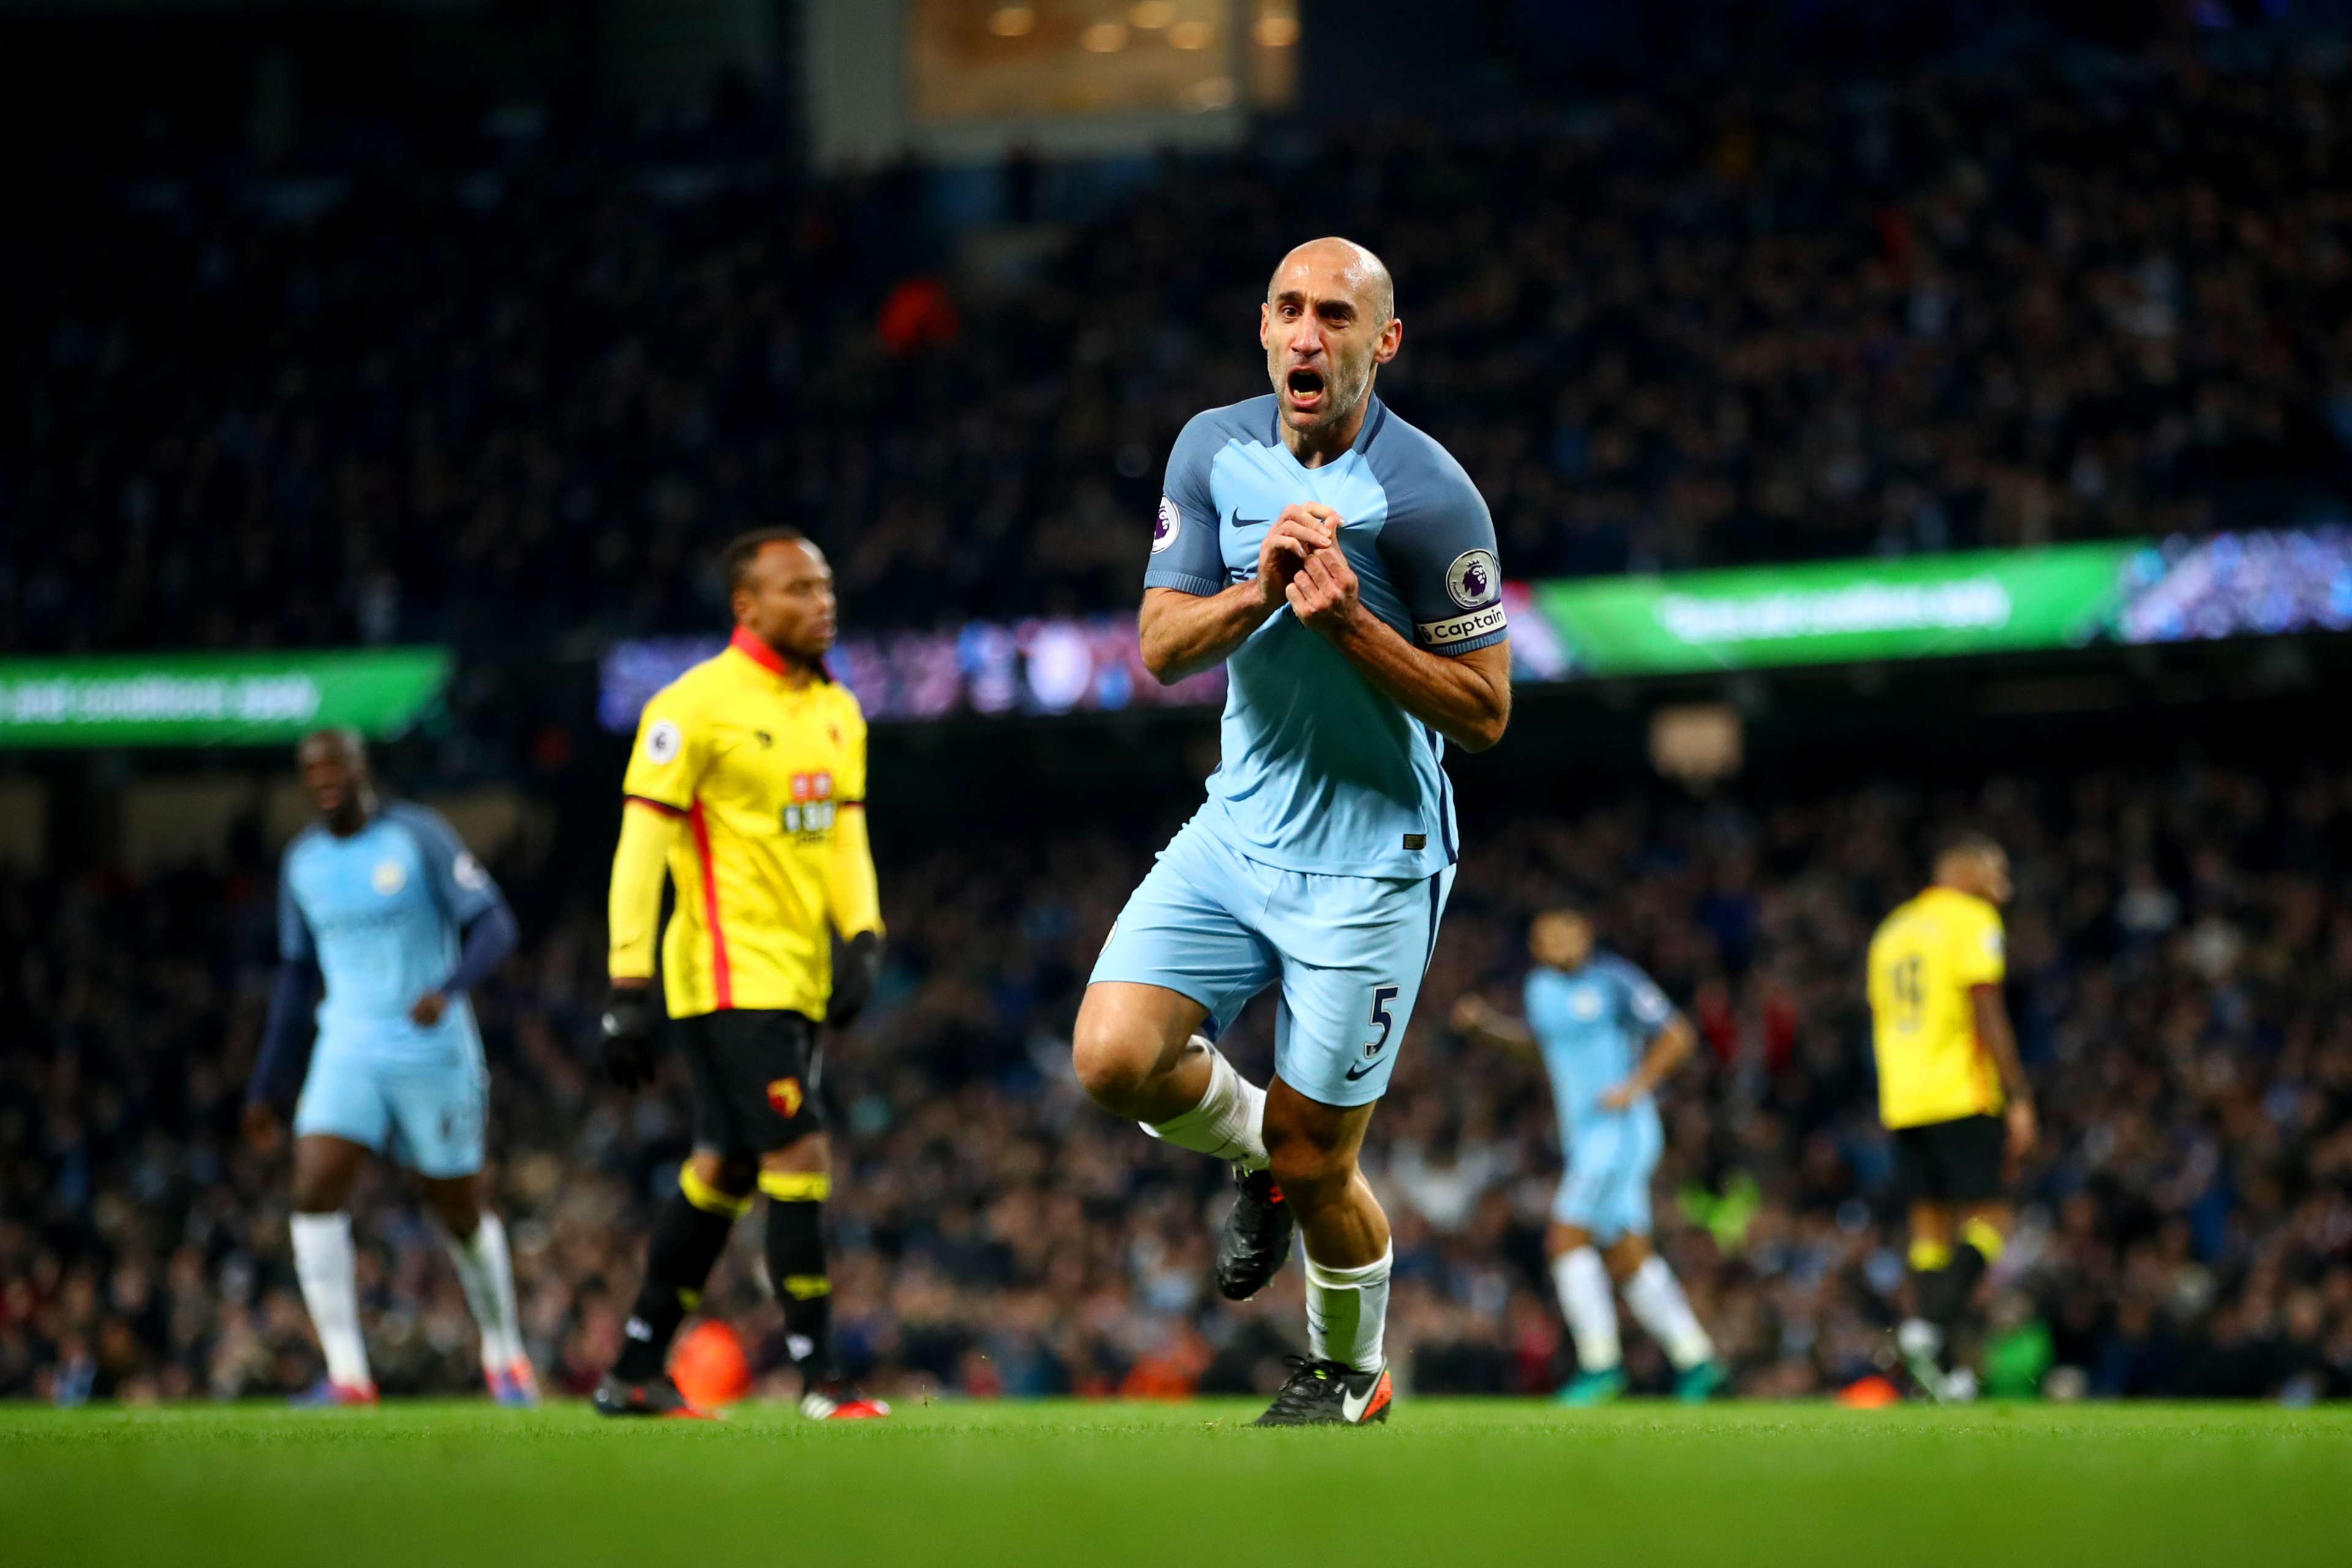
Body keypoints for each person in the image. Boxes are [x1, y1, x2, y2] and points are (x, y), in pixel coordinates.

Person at [1072, 237, 1512, 1426]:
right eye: (1289, 311)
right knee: (1113, 1056)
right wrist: (1259, 591)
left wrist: (1353, 624)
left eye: (1336, 314)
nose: (1308, 334)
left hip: (1373, 861)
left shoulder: (1430, 496)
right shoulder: (1212, 449)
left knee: (1323, 1163)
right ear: (1262, 328)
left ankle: (1350, 1372)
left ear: (1384, 341)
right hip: (1237, 829)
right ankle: (1256, 1149)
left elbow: (1486, 711)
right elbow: (1163, 648)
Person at [595, 527, 888, 1421]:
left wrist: (864, 935)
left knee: (721, 1170)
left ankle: (634, 1369)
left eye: (826, 585)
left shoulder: (837, 710)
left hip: (796, 982)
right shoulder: (693, 707)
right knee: (798, 1152)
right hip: (724, 981)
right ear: (747, 606)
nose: (821, 602)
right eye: (798, 589)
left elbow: (843, 834)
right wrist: (626, 988)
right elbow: (641, 851)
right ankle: (820, 1378)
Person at [243, 729, 529, 1406]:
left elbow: (496, 925)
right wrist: (264, 1087)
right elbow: (293, 978)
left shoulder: (418, 836)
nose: (323, 781)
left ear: (361, 767)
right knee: (313, 1187)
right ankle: (348, 1377)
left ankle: (507, 1355)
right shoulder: (302, 863)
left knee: (458, 1209)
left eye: (333, 767)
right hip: (348, 1043)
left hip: (432, 1047)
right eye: (310, 772)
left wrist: (450, 987)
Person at [1453, 907, 1722, 1404]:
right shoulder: (1537, 990)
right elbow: (1543, 1050)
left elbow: (1678, 1035)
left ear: (1587, 935)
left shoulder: (1614, 980)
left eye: (1570, 932)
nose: (1562, 942)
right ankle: (1697, 1358)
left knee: (1565, 1238)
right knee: (1628, 1256)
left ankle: (1600, 1365)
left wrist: (1635, 1086)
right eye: (1550, 935)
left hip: (1619, 1130)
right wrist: (1486, 1029)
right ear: (1536, 946)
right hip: (1585, 1138)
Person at [1866, 832, 2035, 1402]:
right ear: (1962, 872)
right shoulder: (1972, 920)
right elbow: (1986, 1008)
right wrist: (2018, 1096)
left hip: (1903, 1099)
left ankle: (1939, 1371)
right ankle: (1928, 1328)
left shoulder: (1890, 932)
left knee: (1929, 1229)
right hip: (1961, 1091)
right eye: (1997, 871)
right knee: (1993, 1219)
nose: (2003, 887)